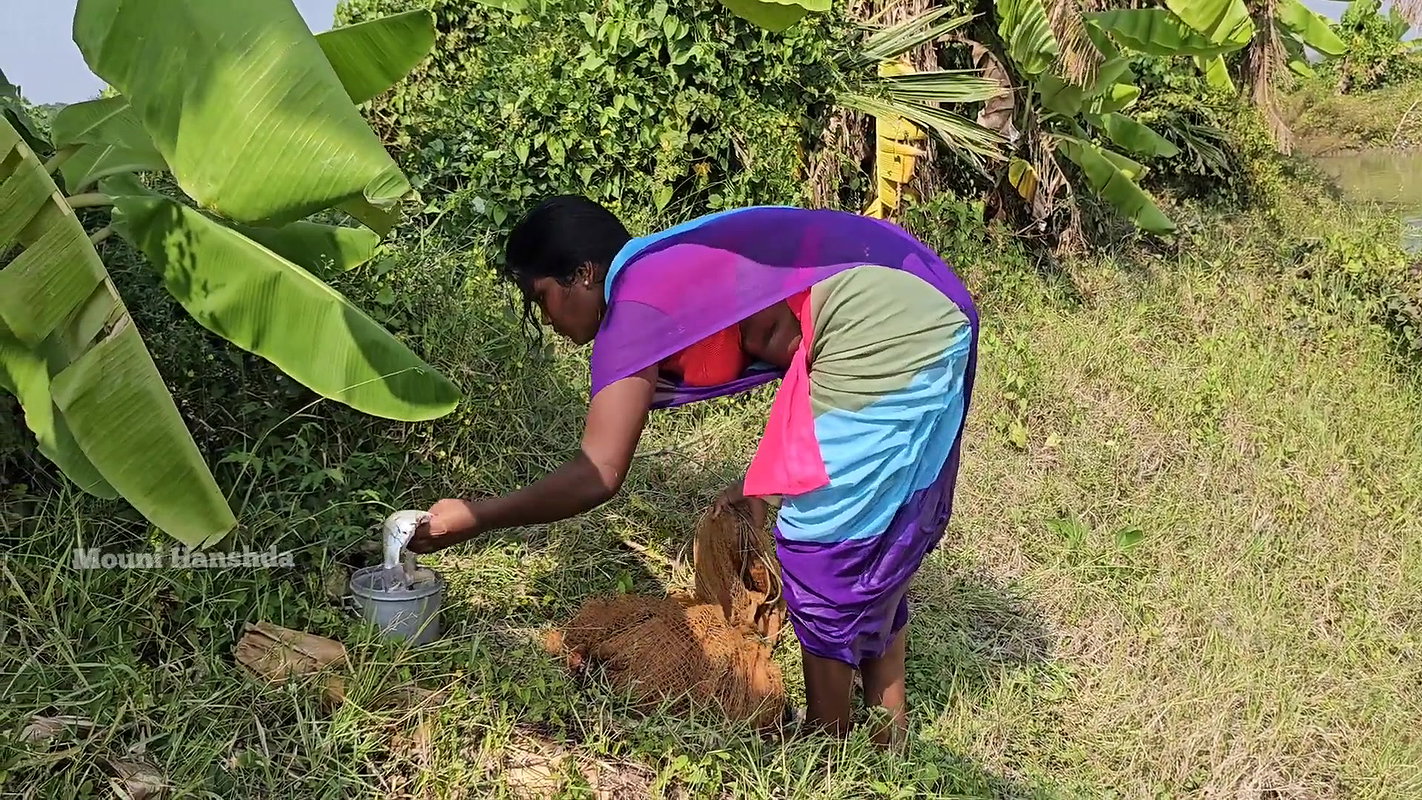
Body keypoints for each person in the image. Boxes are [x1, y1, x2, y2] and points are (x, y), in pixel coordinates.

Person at [410, 196, 978, 743]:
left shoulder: (634, 302)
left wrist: (476, 516)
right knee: (872, 532)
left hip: (884, 322)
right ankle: (888, 728)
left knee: (819, 545)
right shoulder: (659, 271)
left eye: (541, 297)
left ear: (583, 275)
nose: (546, 318)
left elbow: (598, 473)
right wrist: (765, 477)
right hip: (922, 296)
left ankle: (829, 744)